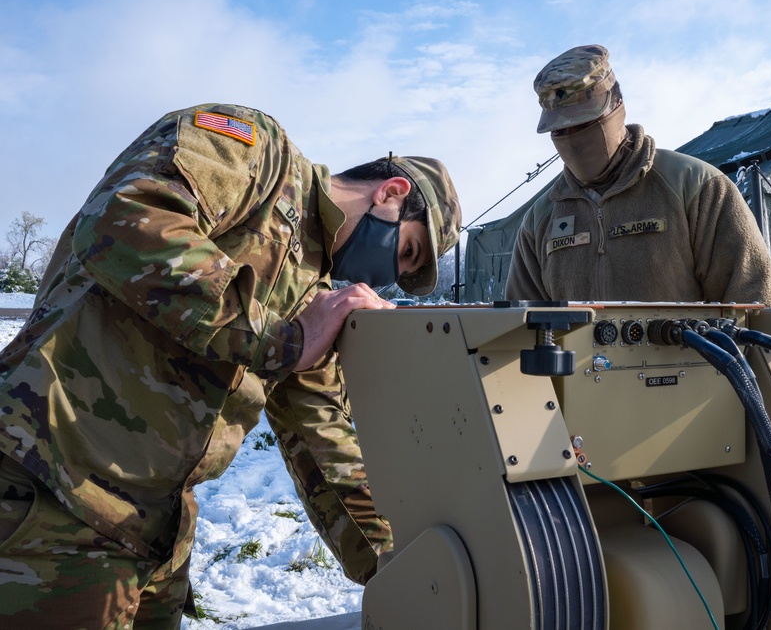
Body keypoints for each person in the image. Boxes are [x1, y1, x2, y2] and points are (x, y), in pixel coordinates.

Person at [0, 103, 461, 628]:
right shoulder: (259, 156)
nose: (390, 274)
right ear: (392, 193)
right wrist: (281, 340)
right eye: (407, 251)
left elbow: (322, 442)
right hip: (54, 493)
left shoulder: (315, 295)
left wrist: (401, 569)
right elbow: (126, 217)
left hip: (155, 535)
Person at [505, 45, 771, 306]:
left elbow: (754, 306)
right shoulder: (540, 218)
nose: (572, 138)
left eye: (584, 123)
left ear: (617, 105)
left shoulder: (695, 187)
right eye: (560, 131)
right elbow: (518, 329)